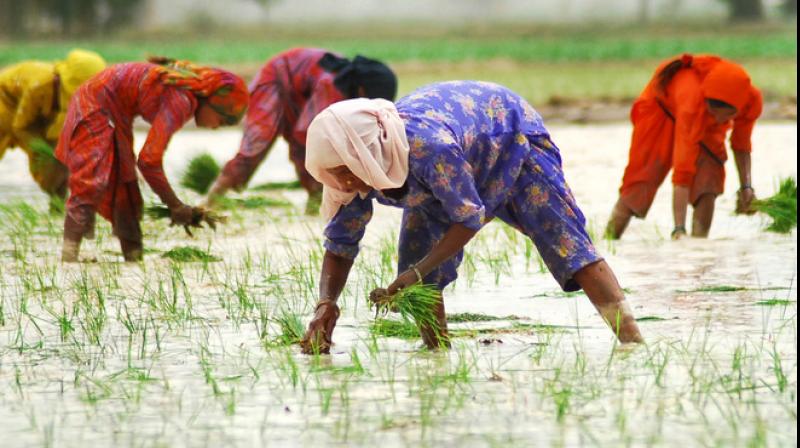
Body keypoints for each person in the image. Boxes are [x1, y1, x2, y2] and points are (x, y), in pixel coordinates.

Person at [298, 81, 644, 354]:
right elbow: (341, 244)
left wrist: (414, 274)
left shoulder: (429, 149)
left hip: (508, 135)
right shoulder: (357, 172)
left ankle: (632, 341)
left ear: (366, 152)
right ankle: (436, 353)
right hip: (452, 156)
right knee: (419, 257)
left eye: (344, 170)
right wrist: (325, 304)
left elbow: (468, 217)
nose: (342, 182)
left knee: (565, 241)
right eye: (334, 173)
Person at [56, 57, 249, 262]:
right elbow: (149, 161)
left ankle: (133, 259)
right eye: (221, 121)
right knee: (91, 180)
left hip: (114, 110)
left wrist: (176, 205)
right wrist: (176, 206)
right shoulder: (181, 102)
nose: (216, 127)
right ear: (211, 103)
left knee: (125, 183)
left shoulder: (185, 96)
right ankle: (69, 259)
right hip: (94, 102)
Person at [206, 48, 397, 214]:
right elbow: (308, 134)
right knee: (256, 145)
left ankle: (315, 203)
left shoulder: (349, 85)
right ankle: (211, 201)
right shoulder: (332, 85)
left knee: (316, 153)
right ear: (362, 91)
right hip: (275, 80)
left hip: (298, 94)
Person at [606, 54, 763, 240]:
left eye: (725, 117)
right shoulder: (692, 100)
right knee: (644, 177)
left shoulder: (751, 100)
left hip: (700, 115)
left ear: (737, 108)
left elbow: (741, 144)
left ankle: (700, 246)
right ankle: (608, 241)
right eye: (714, 114)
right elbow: (683, 168)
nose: (720, 121)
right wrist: (678, 229)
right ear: (707, 103)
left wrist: (746, 187)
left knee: (710, 173)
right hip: (660, 113)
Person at [0, 49, 106, 203]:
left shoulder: (67, 94)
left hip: (36, 114)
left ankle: (57, 207)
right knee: (51, 158)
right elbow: (21, 126)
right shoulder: (40, 85)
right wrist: (46, 151)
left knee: (61, 156)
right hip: (7, 102)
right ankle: (56, 198)